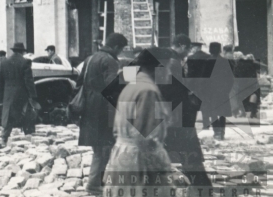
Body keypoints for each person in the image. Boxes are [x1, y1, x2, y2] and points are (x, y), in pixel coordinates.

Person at [103, 48, 175, 197]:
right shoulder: (148, 91)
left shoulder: (132, 86)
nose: (169, 73)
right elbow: (145, 137)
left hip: (122, 156)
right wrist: (163, 170)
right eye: (168, 68)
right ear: (159, 68)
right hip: (139, 162)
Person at [77, 32, 128, 195]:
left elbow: (79, 84)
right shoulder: (110, 60)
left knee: (99, 148)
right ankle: (93, 186)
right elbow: (112, 87)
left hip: (89, 107)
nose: (121, 52)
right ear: (116, 47)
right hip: (103, 109)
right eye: (121, 49)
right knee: (103, 149)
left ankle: (98, 183)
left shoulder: (90, 58)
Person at [162, 34, 212, 195]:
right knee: (190, 155)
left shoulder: (165, 59)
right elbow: (176, 91)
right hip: (178, 117)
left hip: (170, 117)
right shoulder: (174, 62)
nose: (188, 53)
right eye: (188, 49)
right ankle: (202, 188)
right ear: (182, 46)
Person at [0, 42, 38, 144]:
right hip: (21, 94)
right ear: (22, 52)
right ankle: (29, 140)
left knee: (8, 118)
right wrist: (33, 96)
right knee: (26, 117)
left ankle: (4, 138)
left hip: (8, 95)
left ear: (13, 51)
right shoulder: (25, 62)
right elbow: (29, 81)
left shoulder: (4, 62)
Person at [206, 42, 234, 140]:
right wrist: (227, 90)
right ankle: (222, 132)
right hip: (223, 91)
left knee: (212, 112)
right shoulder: (224, 61)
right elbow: (231, 78)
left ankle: (216, 131)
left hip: (210, 91)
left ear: (210, 50)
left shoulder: (207, 61)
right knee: (222, 112)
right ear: (220, 50)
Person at [186, 42, 212, 129]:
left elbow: (190, 74)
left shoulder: (191, 58)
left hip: (195, 85)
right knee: (206, 104)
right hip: (207, 84)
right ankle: (206, 124)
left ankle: (192, 125)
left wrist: (189, 86)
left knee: (193, 105)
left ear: (195, 48)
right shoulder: (208, 57)